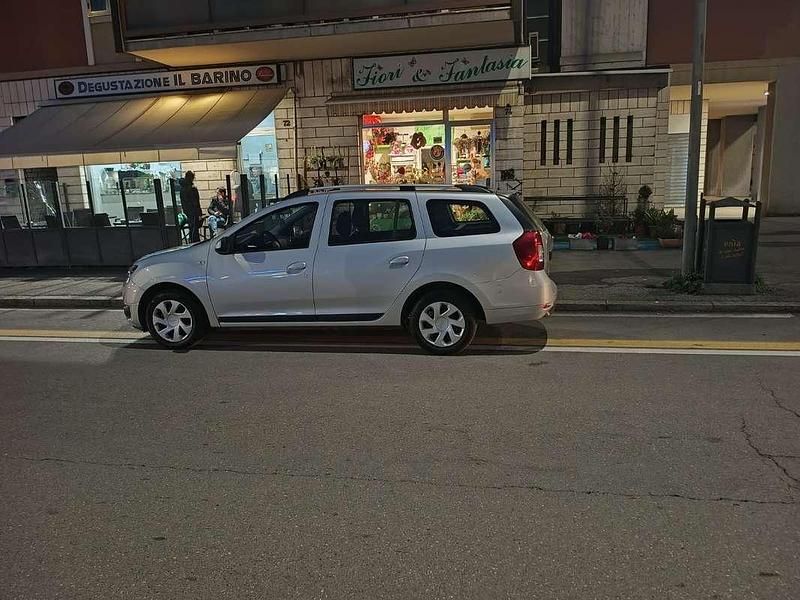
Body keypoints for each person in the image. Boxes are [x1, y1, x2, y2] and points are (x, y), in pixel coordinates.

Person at [179, 171, 201, 242]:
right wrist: (199, 212)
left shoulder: (182, 188)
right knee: (194, 229)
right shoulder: (192, 189)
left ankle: (192, 242)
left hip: (187, 211)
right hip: (193, 211)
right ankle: (195, 243)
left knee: (192, 228)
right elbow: (196, 202)